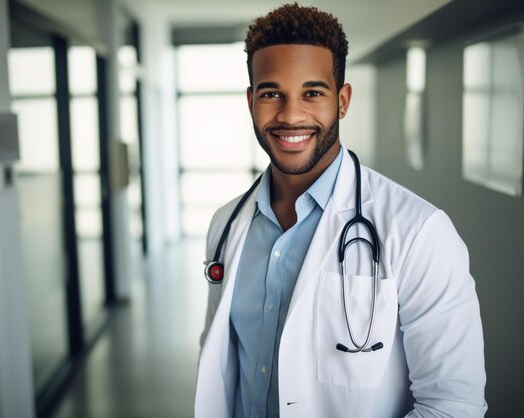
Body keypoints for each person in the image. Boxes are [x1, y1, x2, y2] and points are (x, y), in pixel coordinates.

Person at [195, 3, 487, 417]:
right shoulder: (226, 225)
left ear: (343, 100)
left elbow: (453, 406)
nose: (291, 114)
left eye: (312, 92)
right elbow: (224, 372)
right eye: (271, 93)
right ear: (250, 101)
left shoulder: (421, 232)